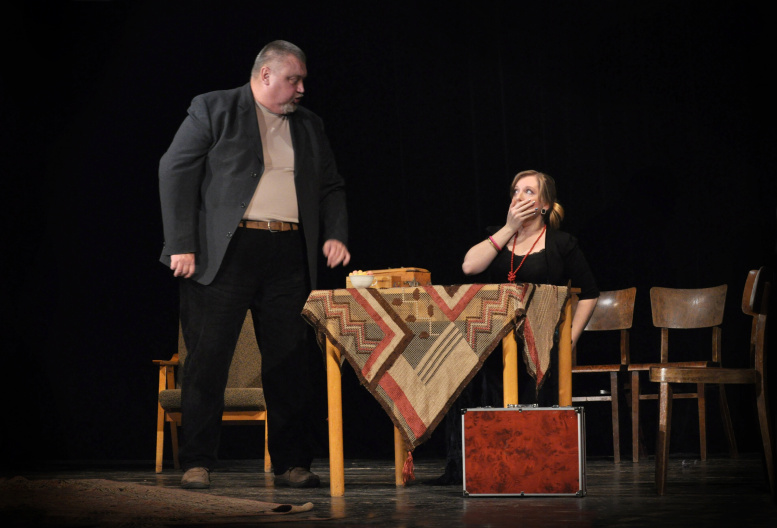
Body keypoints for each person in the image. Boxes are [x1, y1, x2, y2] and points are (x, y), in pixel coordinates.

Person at [158, 40, 351, 490]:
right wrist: (181, 244)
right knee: (208, 358)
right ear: (265, 75)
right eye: (293, 79)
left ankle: (291, 462)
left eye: (302, 80)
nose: (301, 88)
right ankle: (198, 461)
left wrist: (335, 233)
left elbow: (331, 186)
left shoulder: (309, 124)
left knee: (289, 360)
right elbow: (174, 169)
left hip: (287, 253)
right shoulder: (214, 108)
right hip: (225, 252)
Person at [431, 169, 599, 485]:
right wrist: (509, 228)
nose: (519, 197)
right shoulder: (498, 236)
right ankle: (479, 467)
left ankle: (532, 467)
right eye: (515, 191)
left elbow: (589, 294)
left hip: (539, 346)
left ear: (545, 205)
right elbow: (469, 266)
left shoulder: (560, 243)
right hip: (494, 346)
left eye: (529, 192)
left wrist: (570, 339)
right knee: (460, 369)